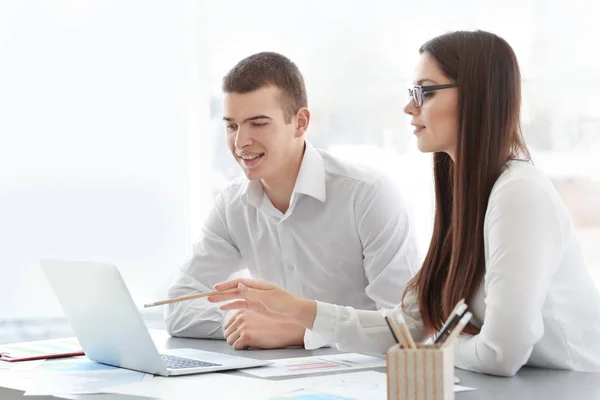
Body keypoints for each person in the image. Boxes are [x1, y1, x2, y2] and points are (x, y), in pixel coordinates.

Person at [208, 31, 600, 376]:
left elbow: (500, 354)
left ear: (477, 97)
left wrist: (431, 342)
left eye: (424, 92)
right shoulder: (466, 195)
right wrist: (297, 309)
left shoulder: (519, 194)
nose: (409, 107)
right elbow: (405, 325)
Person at [165, 52, 420, 350]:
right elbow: (178, 308)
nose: (240, 142)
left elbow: (405, 327)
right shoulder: (232, 205)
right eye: (232, 126)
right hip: (276, 380)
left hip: (367, 382)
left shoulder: (367, 195)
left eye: (258, 124)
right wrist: (243, 322)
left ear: (300, 123)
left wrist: (303, 332)